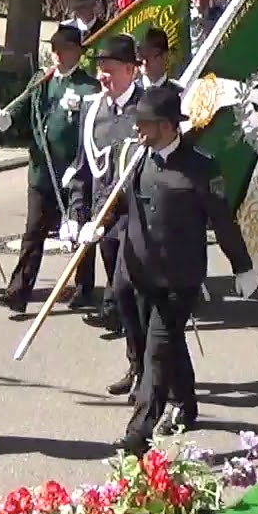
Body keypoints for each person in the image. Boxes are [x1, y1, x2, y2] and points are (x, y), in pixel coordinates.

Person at [112, 86, 256, 455]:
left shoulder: (201, 166)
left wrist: (242, 266)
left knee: (156, 353)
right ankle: (186, 403)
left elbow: (222, 220)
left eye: (144, 123)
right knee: (166, 343)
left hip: (180, 278)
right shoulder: (136, 157)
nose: (138, 129)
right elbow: (120, 203)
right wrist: (96, 225)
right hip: (141, 272)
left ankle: (138, 434)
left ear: (167, 126)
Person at [0, 25, 100, 315]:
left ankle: (85, 288)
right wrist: (6, 120)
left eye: (65, 49)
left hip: (73, 174)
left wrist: (80, 167)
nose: (58, 55)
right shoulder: (41, 81)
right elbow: (25, 112)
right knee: (33, 233)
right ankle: (18, 292)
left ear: (78, 53)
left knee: (79, 233)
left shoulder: (88, 88)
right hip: (41, 172)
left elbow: (91, 133)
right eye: (55, 49)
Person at [66, 34, 146, 338]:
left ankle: (117, 314)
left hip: (135, 213)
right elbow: (83, 165)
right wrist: (77, 215)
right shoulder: (92, 109)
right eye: (100, 68)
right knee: (114, 269)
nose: (102, 76)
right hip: (103, 212)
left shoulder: (147, 108)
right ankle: (121, 320)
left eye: (110, 69)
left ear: (130, 70)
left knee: (126, 278)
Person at [139, 27, 181, 93]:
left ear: (165, 56)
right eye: (141, 56)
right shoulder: (127, 94)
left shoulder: (181, 94)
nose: (144, 62)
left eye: (150, 55)